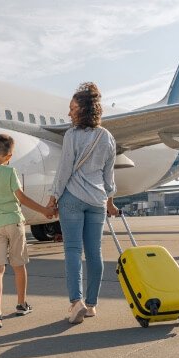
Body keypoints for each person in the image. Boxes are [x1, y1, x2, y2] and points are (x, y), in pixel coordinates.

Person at [48, 82, 118, 324]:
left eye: (72, 108)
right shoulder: (108, 137)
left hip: (73, 200)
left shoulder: (72, 135)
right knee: (95, 253)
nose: (69, 113)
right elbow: (109, 176)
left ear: (83, 110)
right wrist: (110, 202)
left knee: (73, 251)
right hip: (98, 201)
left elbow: (64, 169)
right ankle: (91, 305)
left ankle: (75, 302)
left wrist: (53, 197)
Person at [0, 134, 56, 328]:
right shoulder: (10, 171)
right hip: (14, 222)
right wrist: (44, 210)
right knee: (19, 265)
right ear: (9, 156)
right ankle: (21, 304)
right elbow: (22, 198)